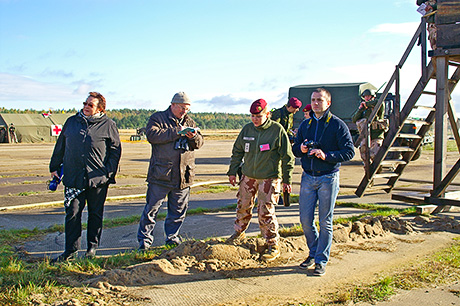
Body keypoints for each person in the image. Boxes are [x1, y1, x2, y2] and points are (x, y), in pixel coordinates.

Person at [49, 92, 122, 263]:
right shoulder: (72, 122)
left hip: (97, 179)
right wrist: (54, 166)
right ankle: (70, 251)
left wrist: (108, 173)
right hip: (73, 177)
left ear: (100, 108)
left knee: (95, 214)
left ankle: (92, 248)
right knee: (72, 213)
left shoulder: (108, 125)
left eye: (91, 105)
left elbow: (115, 151)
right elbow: (61, 145)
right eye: (85, 103)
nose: (86, 107)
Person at [292, 88, 355, 276]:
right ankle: (313, 252)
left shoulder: (337, 125)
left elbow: (349, 151)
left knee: (325, 221)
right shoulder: (306, 124)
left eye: (319, 100)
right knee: (305, 219)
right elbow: (295, 149)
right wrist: (301, 149)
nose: (316, 103)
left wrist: (326, 155)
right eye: (313, 100)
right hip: (308, 177)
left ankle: (321, 260)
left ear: (328, 103)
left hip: (328, 176)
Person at [227, 99, 295, 261]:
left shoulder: (276, 130)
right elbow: (237, 151)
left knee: (265, 211)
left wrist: (287, 179)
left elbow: (287, 157)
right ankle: (239, 233)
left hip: (269, 178)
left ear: (267, 114)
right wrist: (232, 171)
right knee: (242, 205)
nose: (255, 119)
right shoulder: (247, 130)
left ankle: (272, 243)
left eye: (258, 116)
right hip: (248, 176)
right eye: (252, 116)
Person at [137, 92, 204, 250]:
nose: (184, 112)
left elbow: (199, 143)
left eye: (187, 109)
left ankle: (172, 238)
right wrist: (176, 132)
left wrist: (192, 136)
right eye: (182, 108)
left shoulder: (190, 121)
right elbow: (152, 135)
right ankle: (144, 242)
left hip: (183, 176)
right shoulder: (158, 118)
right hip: (161, 175)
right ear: (173, 105)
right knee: (151, 210)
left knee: (178, 210)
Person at [351, 89, 386, 162]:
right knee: (365, 156)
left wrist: (366, 104)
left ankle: (377, 169)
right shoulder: (364, 109)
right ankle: (368, 170)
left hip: (376, 135)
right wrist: (361, 109)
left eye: (368, 96)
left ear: (372, 97)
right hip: (366, 136)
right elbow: (354, 119)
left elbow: (379, 102)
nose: (366, 98)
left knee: (376, 156)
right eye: (365, 97)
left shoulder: (378, 105)